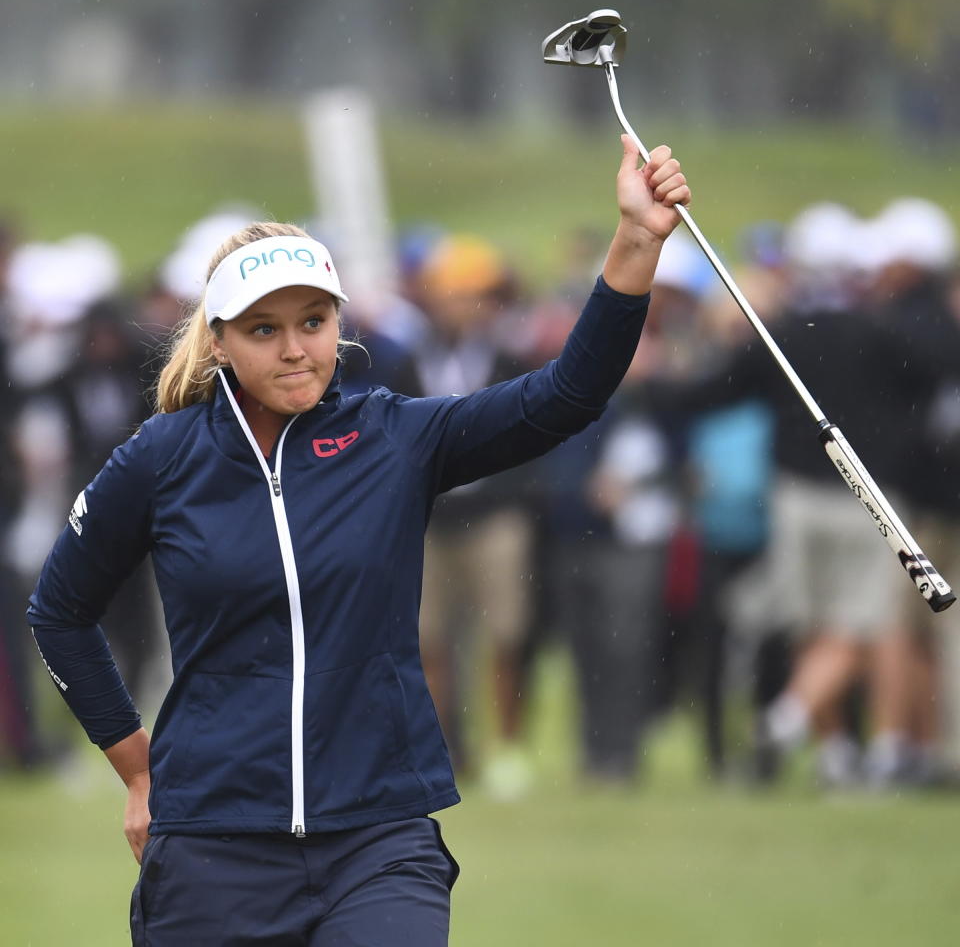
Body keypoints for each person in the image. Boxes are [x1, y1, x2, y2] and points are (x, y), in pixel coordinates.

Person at [27, 136, 691, 946]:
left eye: (314, 319)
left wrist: (635, 242)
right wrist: (136, 770)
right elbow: (59, 611)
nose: (296, 347)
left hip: (380, 837)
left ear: (340, 320)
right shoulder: (162, 458)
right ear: (221, 341)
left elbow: (567, 396)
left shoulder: (393, 435)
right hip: (212, 841)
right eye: (264, 330)